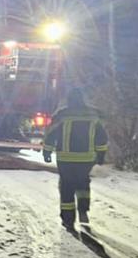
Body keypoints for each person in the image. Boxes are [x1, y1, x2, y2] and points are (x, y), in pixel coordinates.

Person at [42, 88, 108, 231]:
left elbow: (51, 134)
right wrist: (101, 155)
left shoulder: (62, 115)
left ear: (69, 99)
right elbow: (101, 137)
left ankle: (68, 220)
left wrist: (46, 151)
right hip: (86, 159)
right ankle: (83, 210)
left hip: (65, 159)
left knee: (66, 187)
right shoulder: (93, 116)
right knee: (83, 183)